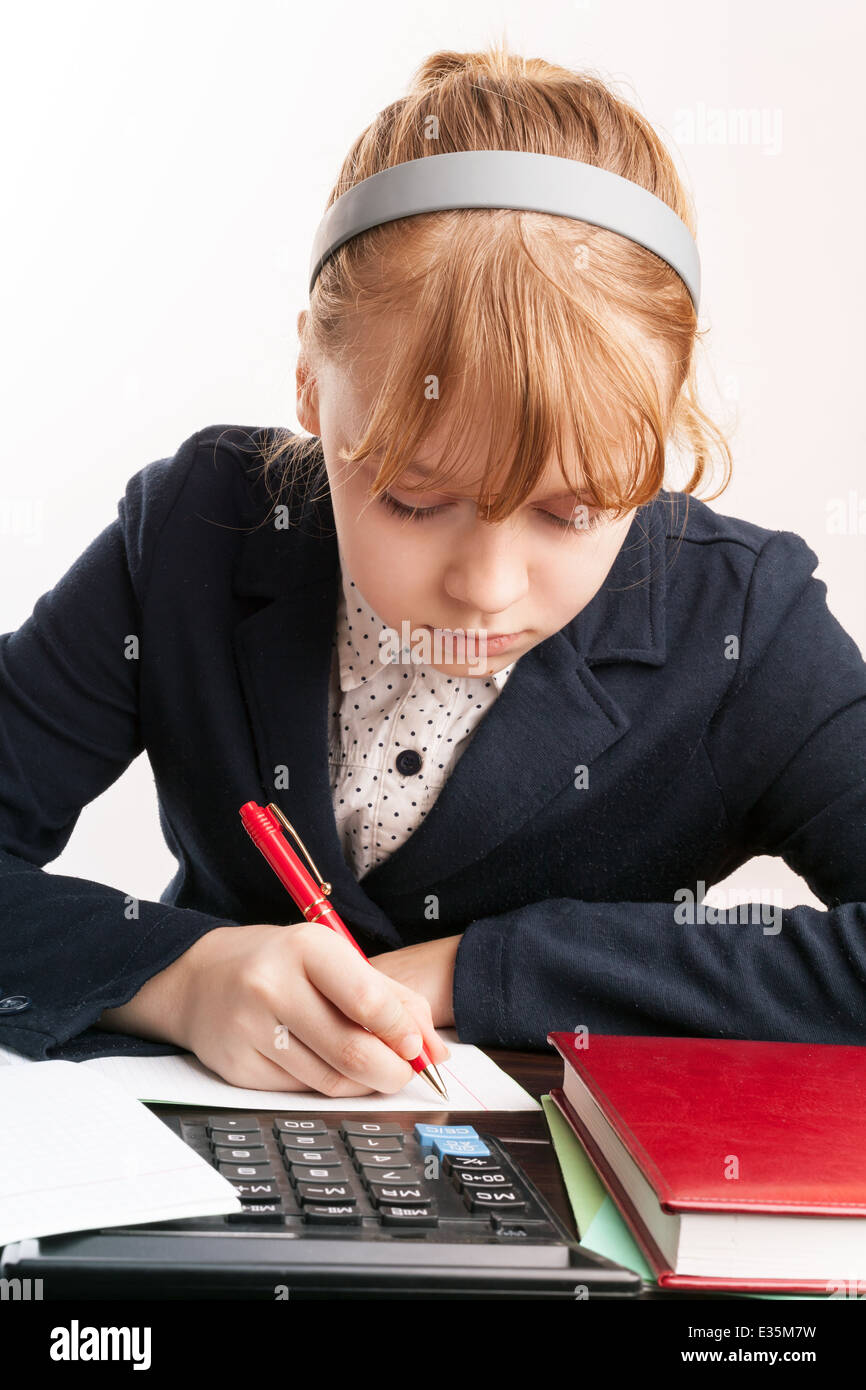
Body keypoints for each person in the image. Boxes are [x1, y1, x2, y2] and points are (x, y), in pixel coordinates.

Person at [2, 44, 864, 1095]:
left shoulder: (745, 625)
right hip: (207, 1191)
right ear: (312, 393)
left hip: (571, 1228)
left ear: (664, 434)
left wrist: (485, 969)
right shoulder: (199, 528)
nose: (486, 587)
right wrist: (183, 977)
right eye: (413, 499)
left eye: (570, 510)